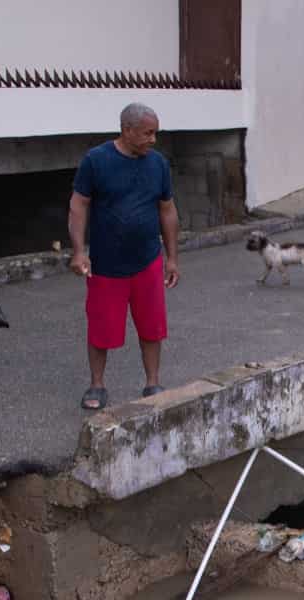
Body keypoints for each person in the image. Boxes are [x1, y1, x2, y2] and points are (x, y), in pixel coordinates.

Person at [68, 103, 180, 411]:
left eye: (155, 132)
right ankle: (97, 384)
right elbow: (79, 206)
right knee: (101, 328)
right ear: (127, 130)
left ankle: (152, 382)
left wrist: (172, 257)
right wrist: (79, 252)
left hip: (147, 260)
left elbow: (167, 210)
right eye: (148, 133)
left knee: (152, 326)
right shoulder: (96, 161)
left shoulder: (158, 164)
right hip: (106, 264)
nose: (153, 139)